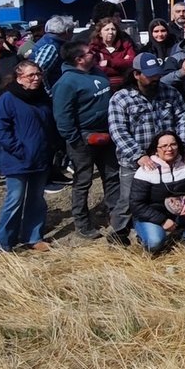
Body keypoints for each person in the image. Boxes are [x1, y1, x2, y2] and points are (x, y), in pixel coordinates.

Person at [108, 53, 185, 244]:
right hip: (134, 160)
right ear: (137, 74)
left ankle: (166, 226)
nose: (155, 78)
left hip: (168, 158)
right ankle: (120, 230)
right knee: (128, 198)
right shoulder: (121, 98)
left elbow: (184, 119)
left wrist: (183, 145)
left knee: (166, 195)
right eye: (150, 75)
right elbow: (118, 130)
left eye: (157, 74)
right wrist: (138, 155)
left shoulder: (170, 93)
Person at [0, 59, 56, 253]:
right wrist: (19, 150)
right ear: (19, 78)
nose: (35, 79)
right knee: (15, 200)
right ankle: (3, 242)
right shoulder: (7, 99)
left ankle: (33, 237)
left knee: (36, 199)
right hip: (17, 160)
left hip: (40, 158)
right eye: (31, 75)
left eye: (38, 75)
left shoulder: (42, 97)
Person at [52, 44, 118, 238]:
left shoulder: (97, 72)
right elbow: (63, 117)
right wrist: (77, 140)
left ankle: (115, 214)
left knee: (112, 176)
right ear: (79, 59)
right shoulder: (66, 83)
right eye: (89, 53)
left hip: (107, 134)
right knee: (83, 181)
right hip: (83, 138)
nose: (94, 53)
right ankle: (82, 223)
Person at [127, 131, 185, 252]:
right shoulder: (145, 171)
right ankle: (144, 236)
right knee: (154, 242)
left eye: (173, 144)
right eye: (164, 146)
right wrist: (162, 221)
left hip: (179, 214)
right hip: (152, 217)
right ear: (156, 149)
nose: (169, 149)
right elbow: (136, 205)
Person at [88, 17, 137, 91]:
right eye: (107, 29)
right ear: (100, 33)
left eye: (113, 29)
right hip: (102, 85)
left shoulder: (126, 45)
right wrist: (122, 62)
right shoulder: (94, 48)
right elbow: (95, 68)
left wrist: (109, 62)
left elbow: (131, 62)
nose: (110, 32)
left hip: (124, 84)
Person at [29, 15, 74, 89]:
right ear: (67, 31)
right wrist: (49, 93)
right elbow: (39, 71)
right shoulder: (51, 46)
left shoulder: (53, 42)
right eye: (72, 31)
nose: (72, 35)